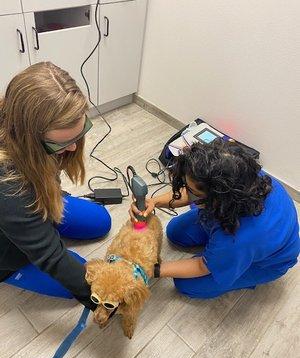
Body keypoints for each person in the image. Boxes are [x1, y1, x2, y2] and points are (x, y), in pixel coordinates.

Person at [0, 62, 111, 311]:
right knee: (86, 278)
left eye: (78, 135)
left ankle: (41, 226)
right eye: (62, 143)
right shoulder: (8, 187)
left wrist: (50, 196)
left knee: (101, 220)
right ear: (31, 137)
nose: (73, 148)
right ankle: (10, 273)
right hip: (8, 247)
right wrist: (99, 299)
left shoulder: (18, 122)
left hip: (35, 203)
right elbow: (51, 257)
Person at [130, 140, 299, 298]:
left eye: (193, 193)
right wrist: (154, 202)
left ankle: (227, 261)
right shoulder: (240, 172)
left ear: (219, 197)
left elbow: (202, 267)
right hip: (237, 226)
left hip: (268, 262)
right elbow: (193, 190)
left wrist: (154, 270)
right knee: (176, 231)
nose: (186, 193)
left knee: (185, 283)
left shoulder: (238, 238)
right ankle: (219, 255)